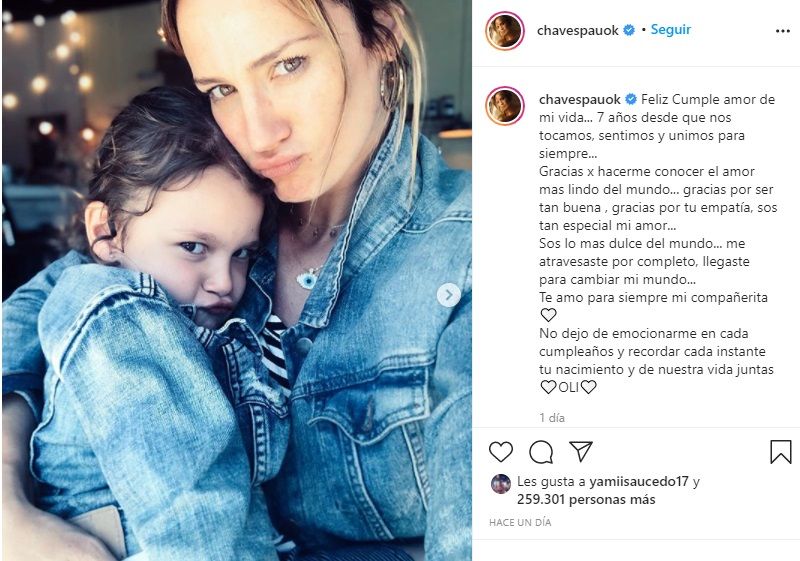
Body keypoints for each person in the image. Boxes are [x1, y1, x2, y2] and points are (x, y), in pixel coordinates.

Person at [2, 1, 472, 560]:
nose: (258, 134)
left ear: (384, 33)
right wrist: (8, 503)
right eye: (221, 89)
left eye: (288, 65)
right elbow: (57, 299)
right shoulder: (221, 200)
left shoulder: (476, 249)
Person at [11, 86, 291, 560]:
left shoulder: (196, 316)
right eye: (193, 247)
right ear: (105, 231)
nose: (225, 282)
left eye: (242, 253)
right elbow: (196, 523)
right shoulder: (117, 312)